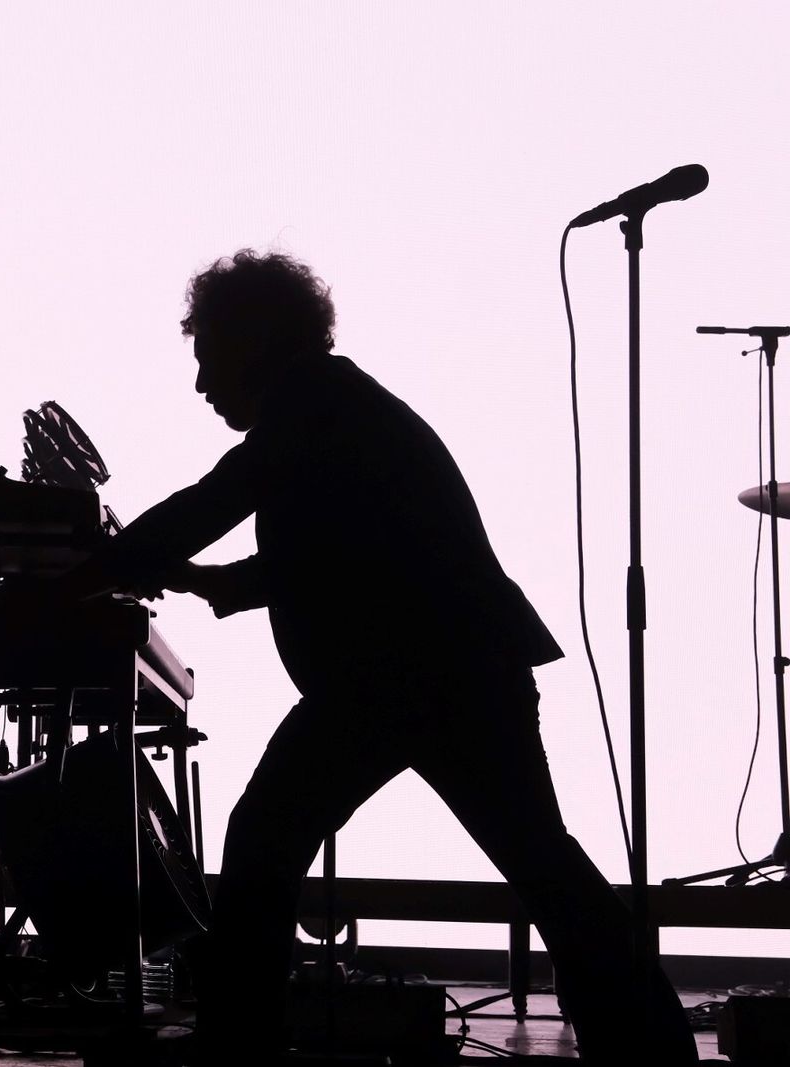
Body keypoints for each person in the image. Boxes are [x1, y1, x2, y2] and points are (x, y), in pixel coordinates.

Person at [58, 250, 696, 1062]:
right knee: (542, 863)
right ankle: (654, 1046)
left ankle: (235, 1044)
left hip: (400, 676)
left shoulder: (309, 402)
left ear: (253, 336)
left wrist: (72, 584)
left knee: (264, 839)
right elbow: (347, 546)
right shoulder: (335, 403)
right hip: (454, 667)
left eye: (207, 355)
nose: (201, 384)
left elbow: (208, 504)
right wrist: (220, 582)